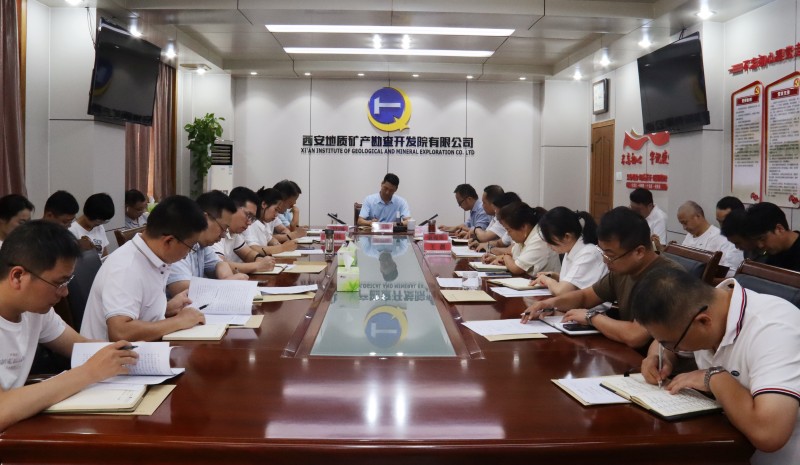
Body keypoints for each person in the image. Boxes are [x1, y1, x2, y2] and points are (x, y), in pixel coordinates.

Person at [632, 267, 800, 464]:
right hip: (725, 441)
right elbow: (665, 339)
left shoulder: (774, 330)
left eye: (670, 343)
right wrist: (659, 357)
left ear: (703, 322)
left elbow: (769, 435)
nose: (667, 347)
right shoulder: (707, 308)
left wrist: (713, 377)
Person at [0, 221, 138, 431]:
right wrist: (88, 372)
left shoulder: (35, 311)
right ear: (18, 276)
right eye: (59, 283)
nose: (65, 293)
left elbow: (80, 346)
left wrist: (136, 355)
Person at [521, 206, 682, 350]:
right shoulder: (622, 270)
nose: (605, 261)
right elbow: (585, 297)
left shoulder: (666, 278)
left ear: (639, 252)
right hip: (625, 351)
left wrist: (591, 317)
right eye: (603, 253)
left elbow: (635, 336)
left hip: (653, 360)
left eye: (610, 255)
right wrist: (548, 304)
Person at [80, 196, 207, 342]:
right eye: (190, 247)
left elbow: (138, 310)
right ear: (169, 241)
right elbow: (120, 332)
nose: (188, 254)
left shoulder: (153, 256)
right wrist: (178, 321)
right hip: (107, 354)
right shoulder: (126, 267)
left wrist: (166, 308)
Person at [166, 191, 250, 296]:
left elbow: (220, 264)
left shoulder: (201, 245)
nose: (223, 235)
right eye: (223, 228)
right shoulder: (179, 240)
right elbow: (181, 288)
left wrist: (227, 278)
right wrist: (226, 284)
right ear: (205, 219)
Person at [531, 207, 607, 295]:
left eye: (550, 240)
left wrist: (547, 280)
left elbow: (562, 292)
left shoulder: (588, 253)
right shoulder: (571, 249)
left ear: (567, 237)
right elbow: (575, 282)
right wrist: (554, 276)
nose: (548, 245)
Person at [482, 202, 560, 276]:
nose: (508, 234)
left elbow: (516, 268)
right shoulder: (524, 237)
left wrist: (505, 257)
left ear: (523, 227)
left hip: (546, 284)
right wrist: (496, 258)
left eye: (509, 230)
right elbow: (513, 254)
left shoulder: (539, 238)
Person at [212, 186, 276, 274]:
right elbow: (220, 265)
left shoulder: (234, 233)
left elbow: (248, 254)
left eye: (252, 218)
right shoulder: (217, 230)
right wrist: (257, 266)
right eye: (248, 215)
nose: (249, 222)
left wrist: (260, 259)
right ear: (233, 208)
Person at [677, 201, 743, 277]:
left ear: (698, 216)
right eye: (681, 224)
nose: (684, 228)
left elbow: (731, 274)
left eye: (685, 223)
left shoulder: (722, 239)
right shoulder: (689, 236)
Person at [742, 202, 800, 272]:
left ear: (779, 229)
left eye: (762, 239)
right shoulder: (773, 252)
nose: (760, 245)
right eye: (756, 241)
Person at [243, 187, 298, 256]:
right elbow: (254, 249)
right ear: (264, 204)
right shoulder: (249, 223)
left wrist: (277, 244)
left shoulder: (263, 223)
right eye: (276, 209)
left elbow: (271, 239)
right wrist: (283, 248)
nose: (276, 215)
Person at [68, 193, 114, 257]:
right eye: (98, 222)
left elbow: (104, 255)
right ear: (88, 215)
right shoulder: (71, 231)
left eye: (103, 222)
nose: (99, 225)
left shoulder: (99, 226)